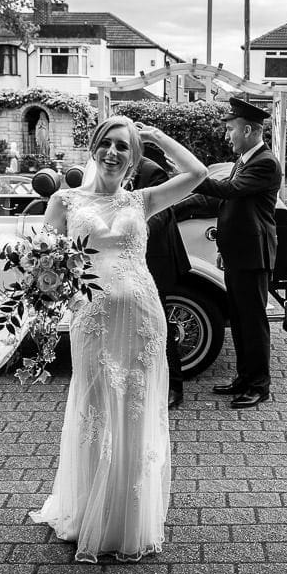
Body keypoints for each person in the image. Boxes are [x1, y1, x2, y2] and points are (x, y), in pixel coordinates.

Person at [29, 116, 208, 562]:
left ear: (134, 158)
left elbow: (198, 173)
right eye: (106, 144)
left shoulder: (143, 200)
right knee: (95, 410)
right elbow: (42, 265)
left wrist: (157, 136)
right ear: (92, 148)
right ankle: (91, 512)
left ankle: (127, 518)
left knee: (134, 412)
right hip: (92, 320)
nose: (113, 152)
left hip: (144, 320)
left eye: (123, 147)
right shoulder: (64, 201)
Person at [193, 98, 282, 409]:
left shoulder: (265, 163)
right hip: (237, 253)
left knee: (253, 322)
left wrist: (191, 177)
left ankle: (259, 386)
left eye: (230, 129)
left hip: (253, 256)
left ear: (247, 129)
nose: (227, 135)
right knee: (241, 322)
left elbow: (228, 192)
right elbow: (231, 208)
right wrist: (223, 248)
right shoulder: (244, 160)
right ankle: (244, 378)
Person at [125, 143, 190, 409]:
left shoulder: (152, 171)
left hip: (155, 261)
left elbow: (163, 210)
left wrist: (137, 230)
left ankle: (175, 387)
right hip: (126, 262)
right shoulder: (114, 173)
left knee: (157, 323)